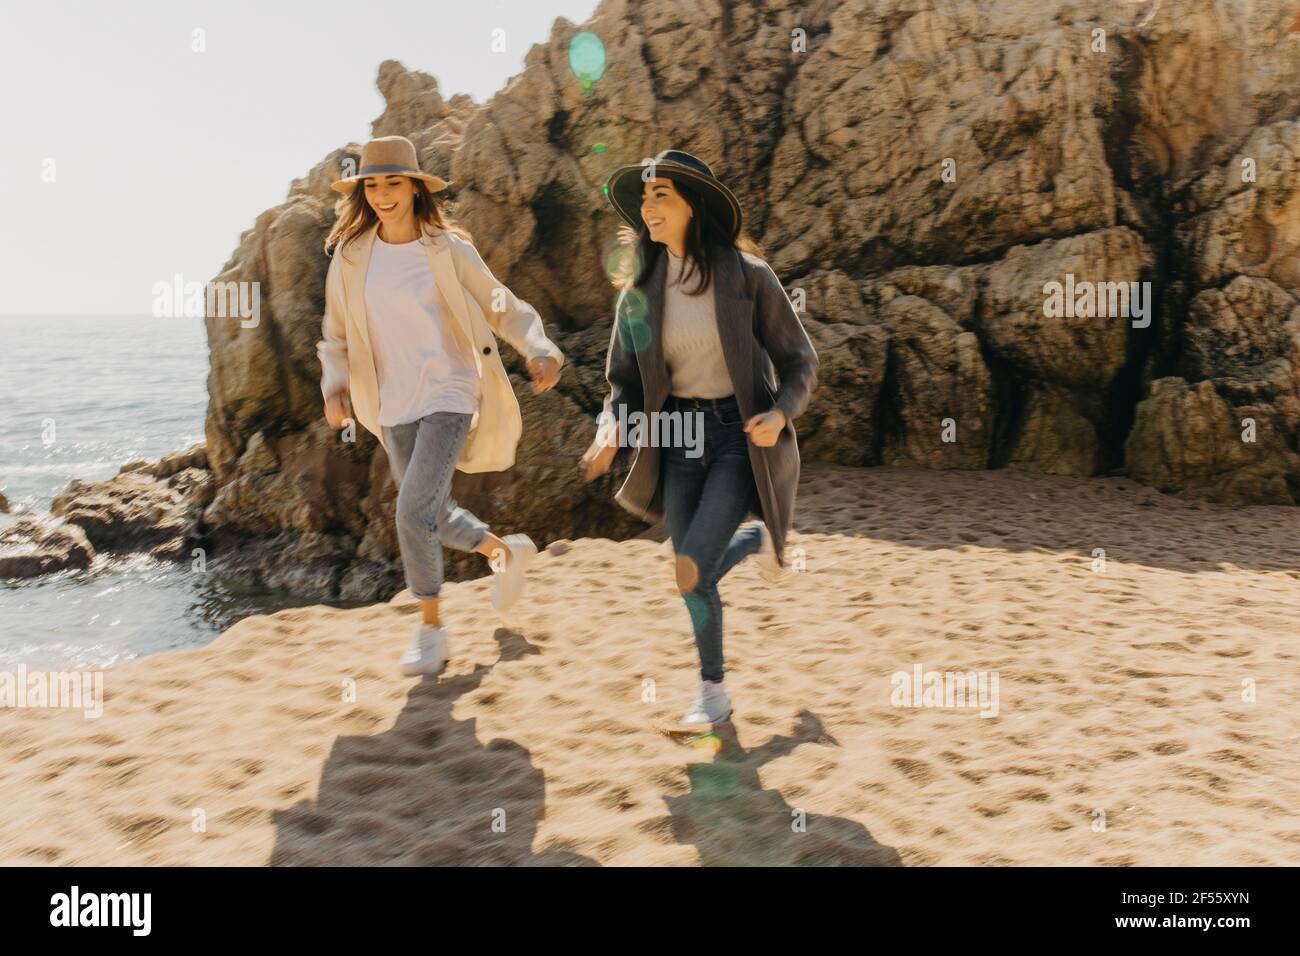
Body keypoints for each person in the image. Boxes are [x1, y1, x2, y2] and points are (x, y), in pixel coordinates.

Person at [582, 149, 818, 730]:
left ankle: (711, 694)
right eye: (645, 196)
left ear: (693, 207)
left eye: (661, 194)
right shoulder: (639, 290)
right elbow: (623, 382)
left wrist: (782, 413)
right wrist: (612, 427)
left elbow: (799, 361)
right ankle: (756, 551)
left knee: (692, 567)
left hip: (739, 437)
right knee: (689, 575)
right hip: (676, 437)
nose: (648, 206)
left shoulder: (748, 278)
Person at [318, 135, 564, 677]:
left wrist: (539, 347)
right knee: (431, 512)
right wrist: (334, 385)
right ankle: (504, 552)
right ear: (362, 193)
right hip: (390, 404)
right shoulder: (352, 258)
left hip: (451, 391)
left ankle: (431, 630)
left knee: (411, 512)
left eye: (393, 183)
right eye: (373, 185)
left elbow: (502, 304)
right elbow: (334, 337)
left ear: (414, 187)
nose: (383, 194)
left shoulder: (447, 250)